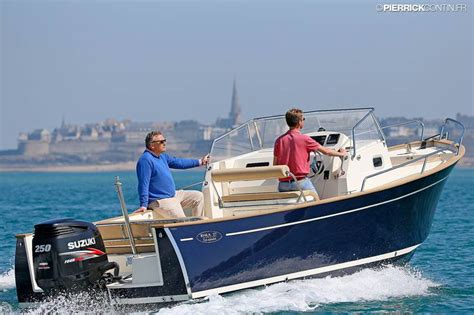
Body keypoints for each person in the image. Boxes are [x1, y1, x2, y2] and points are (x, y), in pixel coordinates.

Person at [135, 130, 210, 218]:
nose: (164, 143)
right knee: (183, 221)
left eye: (165, 141)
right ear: (152, 145)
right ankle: (190, 229)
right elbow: (143, 183)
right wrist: (144, 205)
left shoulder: (162, 156)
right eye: (161, 142)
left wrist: (200, 162)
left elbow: (179, 162)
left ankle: (198, 226)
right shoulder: (145, 160)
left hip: (173, 195)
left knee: (199, 197)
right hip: (161, 201)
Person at [273, 108, 347, 192]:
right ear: (299, 122)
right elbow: (327, 151)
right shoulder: (305, 139)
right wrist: (342, 154)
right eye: (303, 119)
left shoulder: (278, 141)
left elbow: (275, 165)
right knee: (317, 202)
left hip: (283, 185)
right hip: (300, 183)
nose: (303, 121)